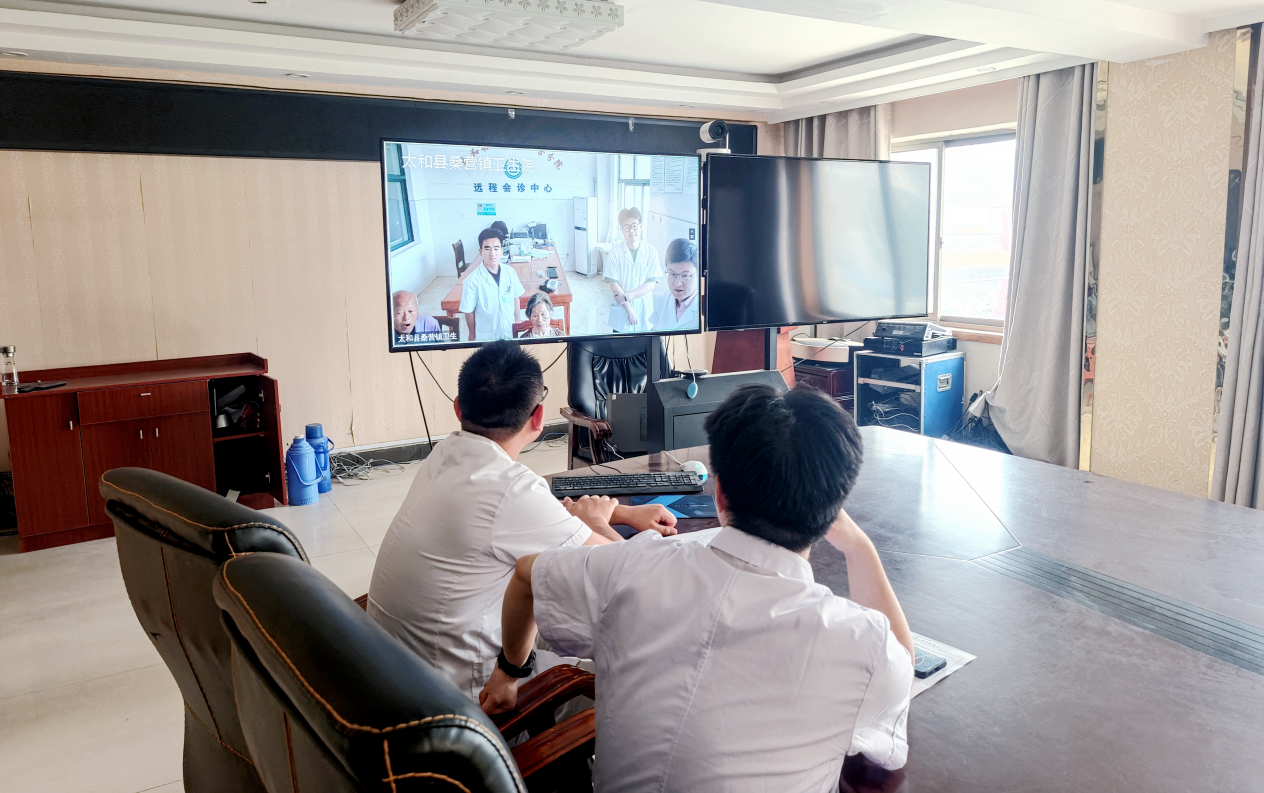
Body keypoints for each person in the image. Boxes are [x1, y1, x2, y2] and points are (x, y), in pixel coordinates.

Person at [481, 384, 914, 792]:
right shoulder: (864, 645)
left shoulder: (633, 566)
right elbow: (900, 672)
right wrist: (859, 548)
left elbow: (528, 574)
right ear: (833, 510)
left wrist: (508, 674)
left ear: (719, 494)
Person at [366, 341, 678, 700]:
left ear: (458, 408)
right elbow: (628, 574)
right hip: (465, 697)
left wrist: (624, 513)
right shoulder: (512, 490)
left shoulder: (446, 454)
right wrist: (600, 524)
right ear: (539, 417)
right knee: (633, 654)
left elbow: (531, 516)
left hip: (396, 678)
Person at [459, 229, 524, 341]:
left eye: (496, 248)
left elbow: (515, 296)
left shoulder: (510, 272)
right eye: (487, 248)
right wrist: (472, 334)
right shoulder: (472, 281)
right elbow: (468, 311)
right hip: (487, 336)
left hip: (509, 331)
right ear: (480, 251)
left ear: (502, 251)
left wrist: (517, 320)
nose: (492, 253)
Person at [604, 208, 662, 333]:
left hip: (644, 311)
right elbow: (614, 285)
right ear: (622, 230)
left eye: (634, 226)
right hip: (622, 314)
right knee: (619, 344)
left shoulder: (651, 251)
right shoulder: (614, 252)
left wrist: (628, 296)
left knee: (644, 344)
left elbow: (651, 284)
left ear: (641, 226)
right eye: (627, 227)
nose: (631, 231)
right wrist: (629, 310)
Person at [649, 239, 700, 332]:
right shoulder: (662, 300)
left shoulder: (704, 308)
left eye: (685, 276)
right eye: (672, 274)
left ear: (698, 274)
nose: (677, 283)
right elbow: (654, 333)